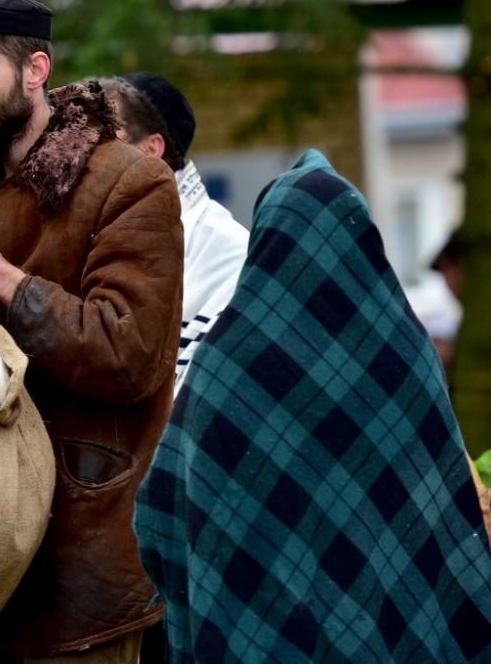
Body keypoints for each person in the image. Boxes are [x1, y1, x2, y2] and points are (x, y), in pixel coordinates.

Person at [0, 0, 184, 663]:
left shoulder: (131, 182)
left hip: (88, 564)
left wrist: (4, 279)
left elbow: (131, 355)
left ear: (35, 70)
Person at [134, 149, 491, 663]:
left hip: (259, 626)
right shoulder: (408, 353)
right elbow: (444, 507)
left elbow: (166, 501)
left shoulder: (223, 369)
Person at [98, 74, 249, 398]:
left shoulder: (230, 249)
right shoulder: (92, 233)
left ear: (152, 149)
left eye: (105, 141)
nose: (86, 156)